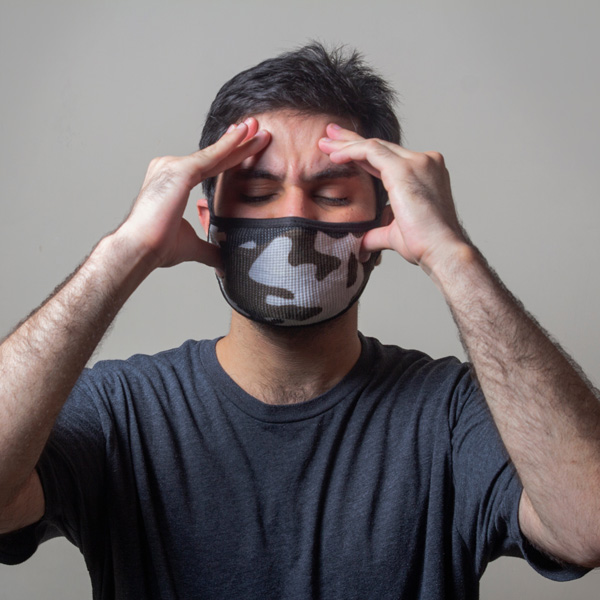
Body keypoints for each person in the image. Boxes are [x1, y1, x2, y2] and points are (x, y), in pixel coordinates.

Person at [0, 42, 598, 599]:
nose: (292, 218)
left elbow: (586, 525)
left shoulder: (451, 414)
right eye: (258, 194)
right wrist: (123, 253)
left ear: (384, 224)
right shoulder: (122, 410)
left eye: (333, 194)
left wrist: (453, 255)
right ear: (210, 221)